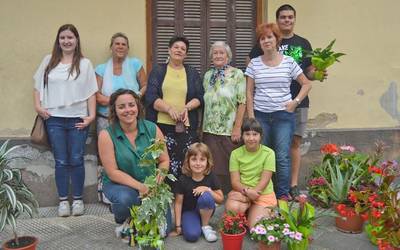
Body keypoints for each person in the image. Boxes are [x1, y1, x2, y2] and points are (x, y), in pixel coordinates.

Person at [248, 4, 325, 200]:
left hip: (286, 111)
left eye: (290, 17)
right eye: (283, 17)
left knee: (285, 152)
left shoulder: (297, 51)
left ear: (276, 39)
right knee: (263, 152)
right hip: (261, 113)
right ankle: (263, 191)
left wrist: (295, 101)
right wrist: (250, 116)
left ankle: (285, 191)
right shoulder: (256, 59)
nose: (267, 41)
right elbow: (249, 89)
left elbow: (307, 78)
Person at [33, 24, 97, 217]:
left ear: (76, 40)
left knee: (76, 159)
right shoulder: (48, 61)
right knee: (60, 161)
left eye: (70, 37)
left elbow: (91, 91)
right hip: (54, 119)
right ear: (58, 40)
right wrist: (38, 106)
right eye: (63, 38)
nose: (67, 41)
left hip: (78, 118)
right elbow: (37, 86)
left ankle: (77, 200)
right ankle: (63, 201)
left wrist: (91, 116)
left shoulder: (85, 64)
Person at [98, 89, 171, 243]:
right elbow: (112, 172)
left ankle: (134, 219)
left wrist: (157, 182)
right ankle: (121, 215)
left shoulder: (152, 129)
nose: (128, 110)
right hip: (120, 185)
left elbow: (164, 160)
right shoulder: (106, 135)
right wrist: (141, 187)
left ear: (138, 106)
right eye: (121, 107)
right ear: (114, 111)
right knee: (126, 199)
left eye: (131, 105)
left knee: (163, 230)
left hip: (150, 186)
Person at [95, 32, 147, 203]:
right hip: (105, 117)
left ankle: (135, 186)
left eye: (123, 44)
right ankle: (106, 192)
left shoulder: (135, 64)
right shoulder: (101, 69)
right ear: (111, 47)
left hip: (131, 118)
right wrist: (121, 101)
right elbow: (97, 96)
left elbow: (145, 85)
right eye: (116, 44)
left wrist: (134, 98)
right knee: (107, 157)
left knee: (131, 152)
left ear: (128, 48)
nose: (120, 47)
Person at [145, 36, 204, 186]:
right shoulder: (158, 71)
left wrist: (186, 107)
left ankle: (182, 196)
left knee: (185, 160)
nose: (179, 50)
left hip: (185, 127)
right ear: (169, 50)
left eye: (183, 49)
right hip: (161, 126)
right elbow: (151, 97)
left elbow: (200, 97)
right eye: (176, 47)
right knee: (163, 161)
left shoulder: (192, 73)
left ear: (186, 54)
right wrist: (168, 109)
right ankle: (162, 194)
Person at [202, 41, 246, 193]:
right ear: (211, 57)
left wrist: (237, 127)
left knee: (229, 164)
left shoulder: (237, 74)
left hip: (229, 129)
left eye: (222, 53)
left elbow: (242, 102)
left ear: (228, 56)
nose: (218, 55)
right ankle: (215, 194)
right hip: (209, 129)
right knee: (211, 164)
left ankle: (231, 194)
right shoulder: (208, 76)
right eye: (215, 53)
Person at [225, 118, 277, 227]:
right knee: (233, 208)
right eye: (247, 134)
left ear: (260, 136)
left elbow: (265, 180)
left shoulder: (269, 153)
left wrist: (253, 195)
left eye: (255, 134)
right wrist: (248, 192)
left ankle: (256, 212)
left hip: (262, 194)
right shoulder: (235, 154)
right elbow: (235, 182)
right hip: (243, 192)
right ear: (242, 136)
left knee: (256, 228)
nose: (251, 138)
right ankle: (247, 211)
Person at [169, 143, 224, 242]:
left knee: (206, 197)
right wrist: (178, 226)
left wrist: (208, 189)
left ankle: (205, 226)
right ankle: (195, 224)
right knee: (192, 236)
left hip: (206, 209)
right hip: (189, 212)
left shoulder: (211, 176)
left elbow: (220, 199)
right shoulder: (183, 179)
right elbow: (178, 203)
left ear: (208, 161)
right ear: (188, 161)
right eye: (194, 159)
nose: (198, 163)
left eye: (202, 159)